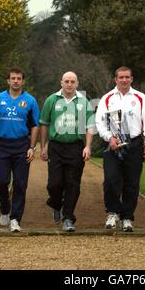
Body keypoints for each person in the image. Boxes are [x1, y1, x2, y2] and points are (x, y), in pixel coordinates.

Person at [96, 66, 145, 232]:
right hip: (113, 144)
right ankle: (113, 212)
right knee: (111, 179)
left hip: (134, 144)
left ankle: (127, 217)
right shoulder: (107, 98)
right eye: (120, 77)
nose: (124, 80)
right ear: (115, 79)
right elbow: (100, 122)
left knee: (132, 183)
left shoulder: (140, 97)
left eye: (127, 77)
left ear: (131, 79)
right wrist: (109, 138)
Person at [39, 72, 95, 232]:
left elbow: (90, 126)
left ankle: (68, 218)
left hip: (75, 147)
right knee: (54, 183)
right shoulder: (52, 100)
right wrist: (43, 146)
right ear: (61, 83)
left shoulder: (83, 102)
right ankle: (56, 204)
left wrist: (88, 146)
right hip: (56, 147)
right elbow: (44, 123)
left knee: (73, 184)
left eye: (72, 82)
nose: (69, 84)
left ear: (77, 84)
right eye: (66, 81)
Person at [0, 67, 40, 232]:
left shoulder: (30, 101)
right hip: (2, 144)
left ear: (23, 81)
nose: (16, 81)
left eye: (19, 78)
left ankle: (15, 219)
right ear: (8, 80)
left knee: (20, 184)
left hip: (22, 146)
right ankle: (4, 207)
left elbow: (35, 125)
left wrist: (32, 146)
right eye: (13, 78)